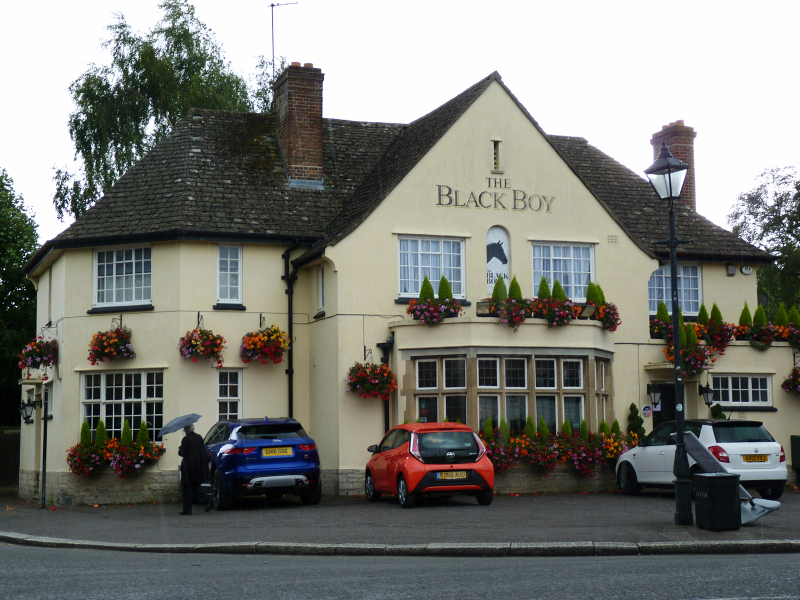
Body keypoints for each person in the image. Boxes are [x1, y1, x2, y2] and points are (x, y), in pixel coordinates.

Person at [178, 423, 212, 515]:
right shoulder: (199, 437)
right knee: (195, 488)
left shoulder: (185, 439)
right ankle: (207, 499)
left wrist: (180, 448)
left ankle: (187, 510)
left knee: (186, 488)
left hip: (188, 467)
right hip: (199, 467)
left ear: (185, 430)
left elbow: (182, 453)